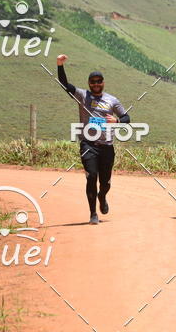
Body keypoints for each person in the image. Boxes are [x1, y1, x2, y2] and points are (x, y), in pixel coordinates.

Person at [57, 54, 130, 225]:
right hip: (88, 144)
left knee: (105, 183)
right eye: (93, 82)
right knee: (91, 177)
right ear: (89, 84)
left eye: (99, 81)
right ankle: (93, 214)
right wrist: (60, 65)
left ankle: (102, 196)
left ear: (103, 83)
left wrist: (117, 121)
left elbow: (127, 118)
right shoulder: (83, 96)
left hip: (107, 146)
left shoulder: (112, 100)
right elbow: (65, 85)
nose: (96, 84)